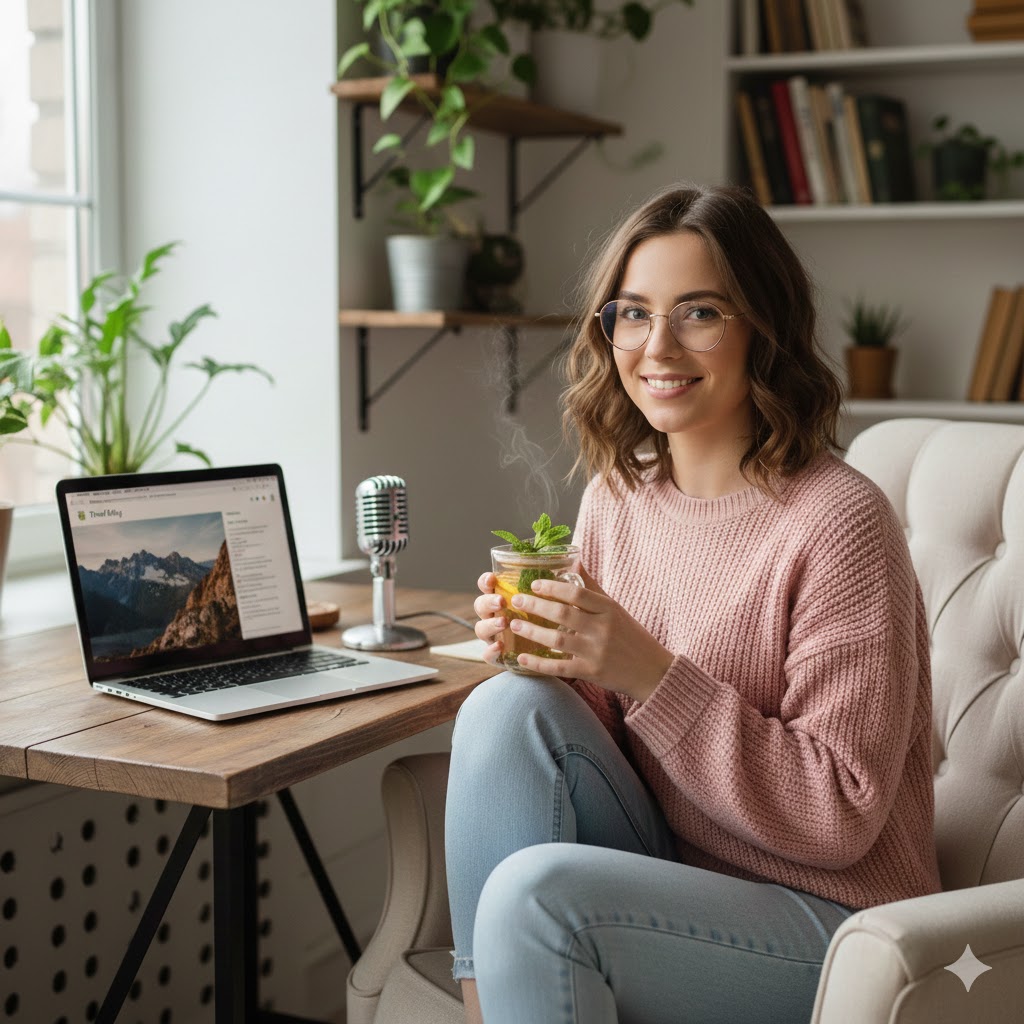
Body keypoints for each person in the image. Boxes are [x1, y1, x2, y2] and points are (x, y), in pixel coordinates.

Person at [445, 182, 941, 1024]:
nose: (658, 346)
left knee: (536, 896)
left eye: (700, 313)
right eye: (633, 314)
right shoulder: (616, 499)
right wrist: (558, 660)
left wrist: (649, 672)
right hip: (672, 876)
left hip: (835, 921)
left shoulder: (840, 522)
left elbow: (841, 818)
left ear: (763, 328)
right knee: (504, 707)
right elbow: (607, 739)